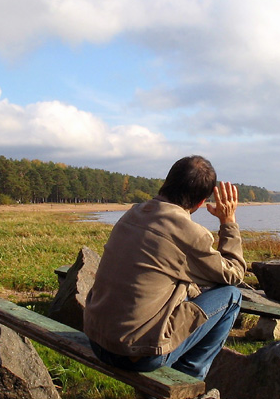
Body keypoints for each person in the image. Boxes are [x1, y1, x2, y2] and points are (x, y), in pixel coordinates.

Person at [84, 155, 245, 381]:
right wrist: (228, 222)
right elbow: (234, 273)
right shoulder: (190, 234)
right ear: (201, 203)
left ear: (166, 182)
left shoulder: (132, 213)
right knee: (231, 297)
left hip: (97, 339)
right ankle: (187, 379)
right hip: (135, 355)